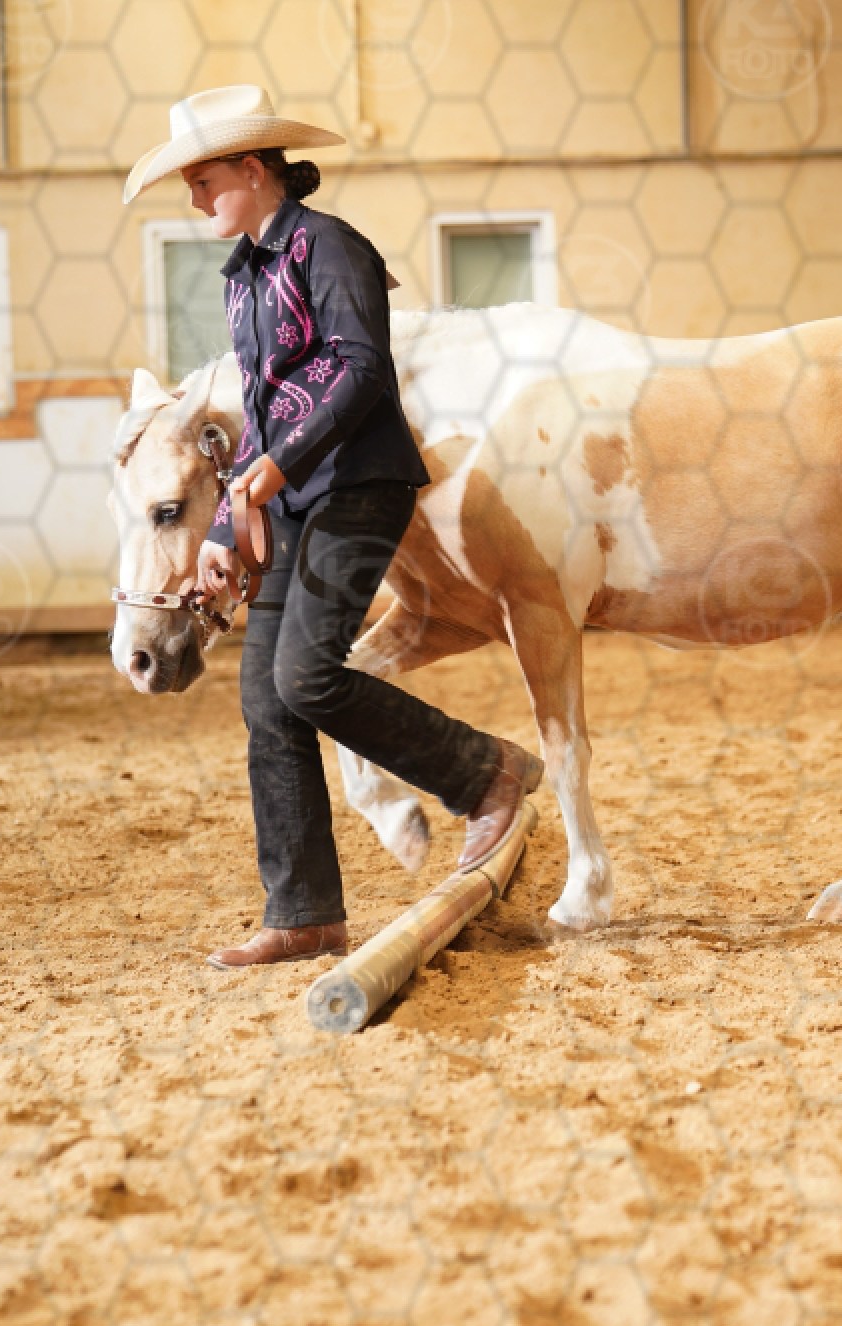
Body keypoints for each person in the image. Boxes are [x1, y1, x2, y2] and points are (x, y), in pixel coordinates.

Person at [121, 85, 544, 969]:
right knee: (266, 699)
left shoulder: (331, 247)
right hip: (292, 501)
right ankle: (305, 913)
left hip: (359, 486)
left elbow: (359, 369)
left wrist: (278, 467)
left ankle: (485, 773)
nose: (194, 199)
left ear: (252, 168)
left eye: (202, 181)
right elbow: (263, 416)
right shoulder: (244, 278)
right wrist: (224, 529)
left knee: (306, 677)